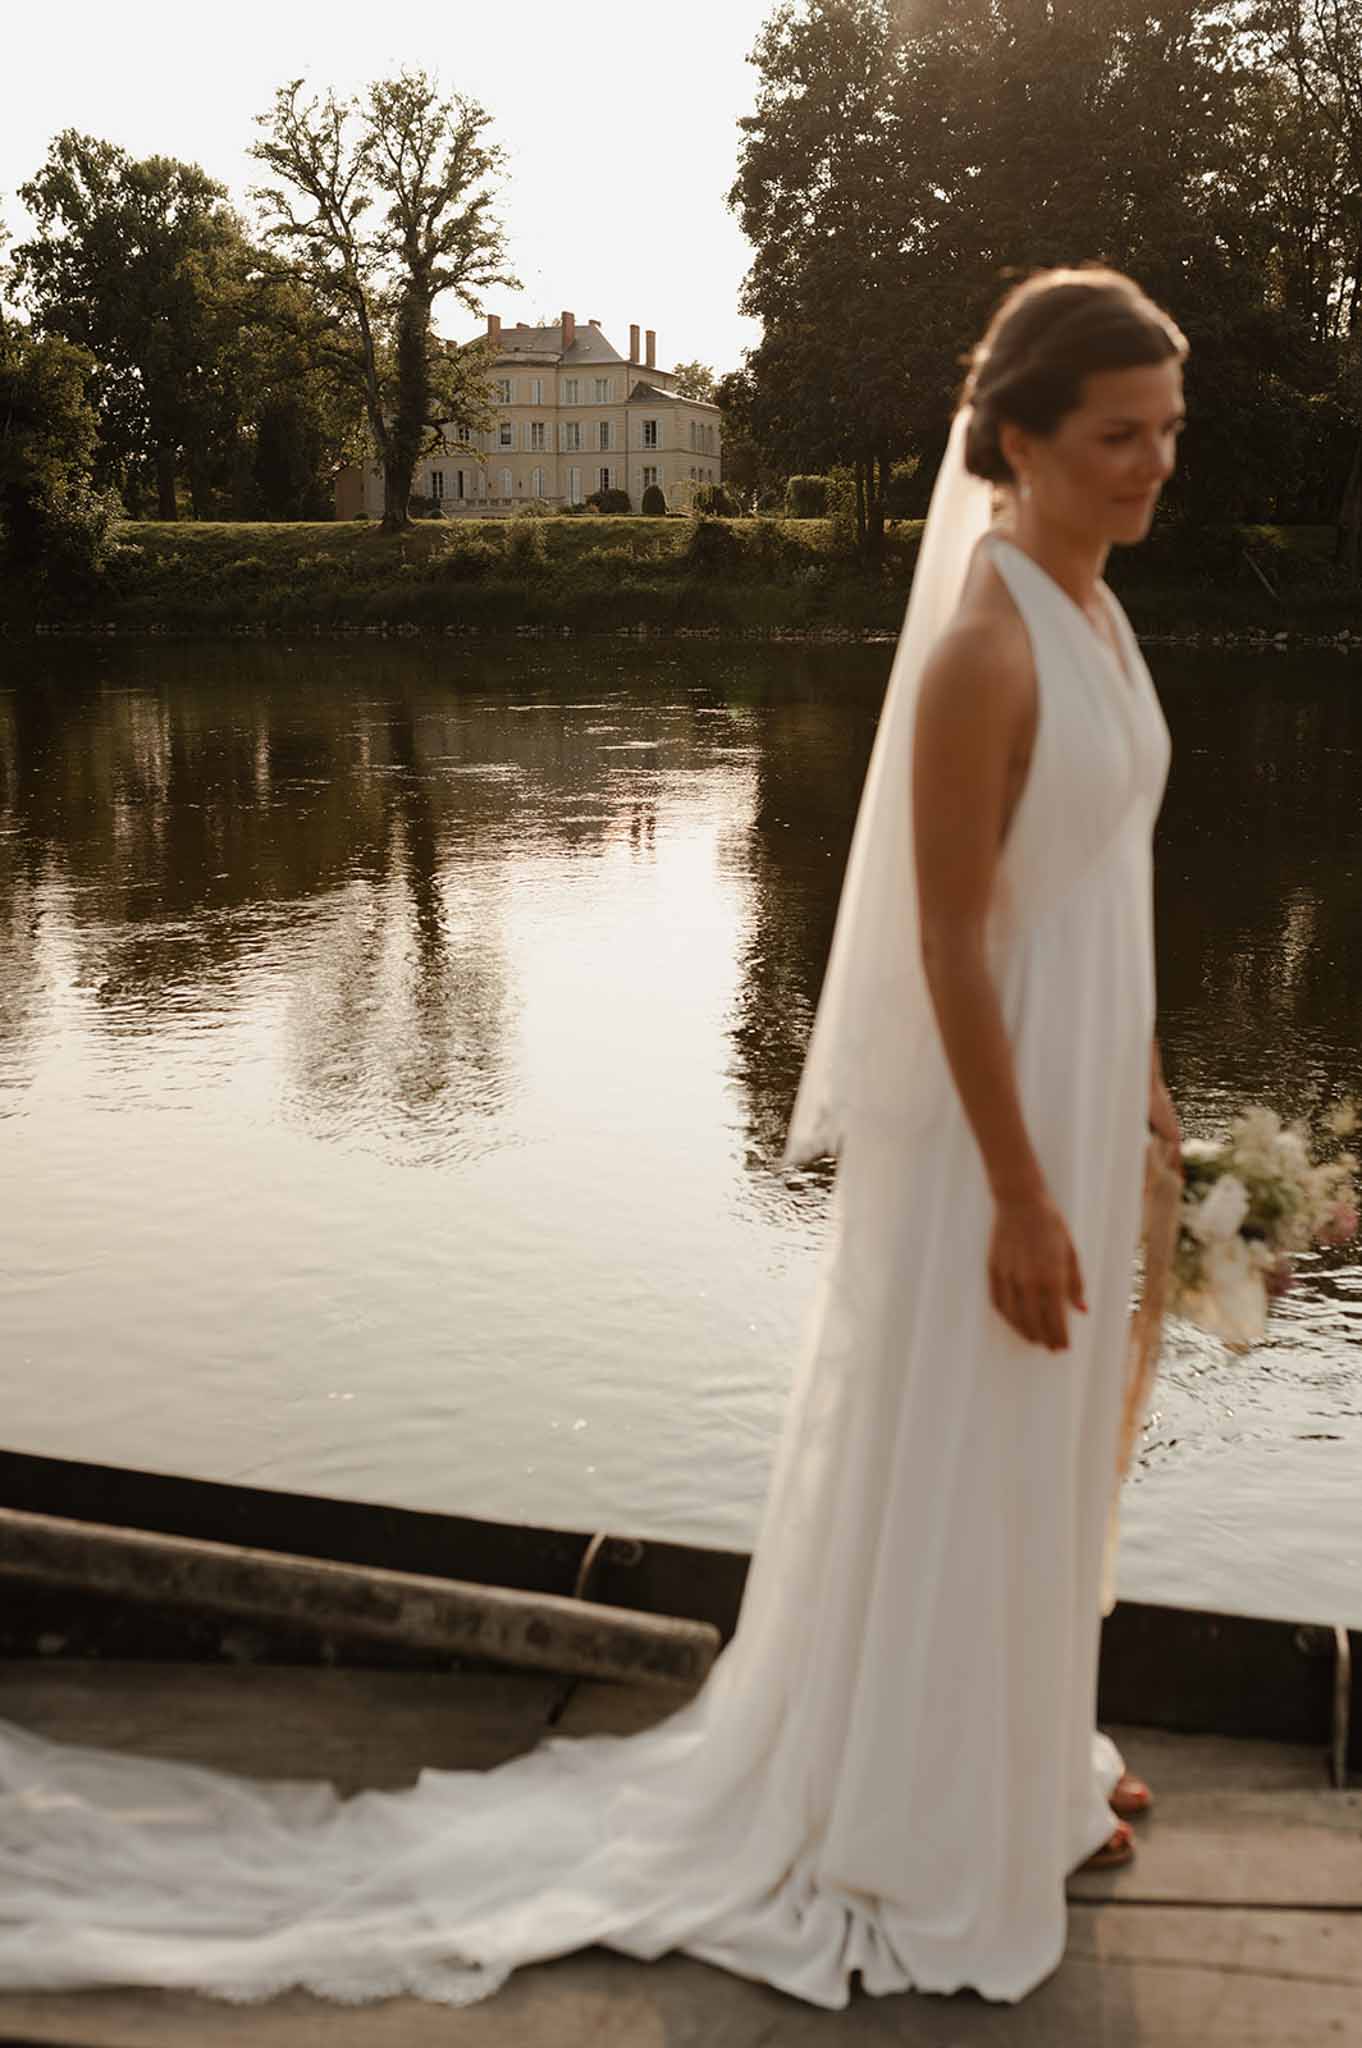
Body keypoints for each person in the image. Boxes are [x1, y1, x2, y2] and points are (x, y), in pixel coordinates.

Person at [0, 266, 1184, 2010]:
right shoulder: (983, 647)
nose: (1153, 466)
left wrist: (1145, 1086)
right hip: (990, 1134)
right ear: (1015, 439)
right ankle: (922, 1811)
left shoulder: (1098, 613)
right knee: (967, 1445)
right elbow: (945, 945)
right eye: (1116, 437)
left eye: (1167, 434)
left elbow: (1096, 880)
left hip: (1080, 1096)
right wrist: (1015, 1188)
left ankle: (1022, 1763)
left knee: (1049, 1445)